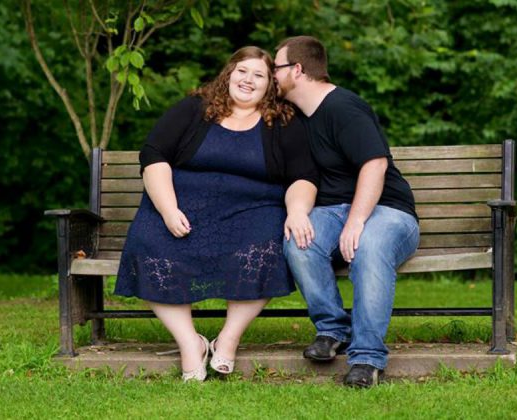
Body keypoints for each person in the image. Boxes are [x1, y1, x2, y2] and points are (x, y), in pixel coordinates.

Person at [114, 46, 319, 382]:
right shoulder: (195, 108)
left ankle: (228, 339)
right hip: (181, 208)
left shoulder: (283, 121)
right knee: (148, 243)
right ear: (229, 73)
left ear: (270, 84)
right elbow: (154, 155)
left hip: (251, 211)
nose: (248, 80)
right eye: (242, 71)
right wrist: (168, 209)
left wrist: (297, 211)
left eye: (259, 75)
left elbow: (303, 176)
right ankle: (190, 345)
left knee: (267, 247)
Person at [274, 36, 420, 388]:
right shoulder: (297, 117)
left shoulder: (344, 107)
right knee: (299, 242)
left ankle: (367, 357)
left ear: (297, 69)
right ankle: (332, 329)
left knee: (369, 246)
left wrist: (356, 221)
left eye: (276, 68)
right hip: (333, 210)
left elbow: (375, 164)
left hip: (388, 210)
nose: (272, 75)